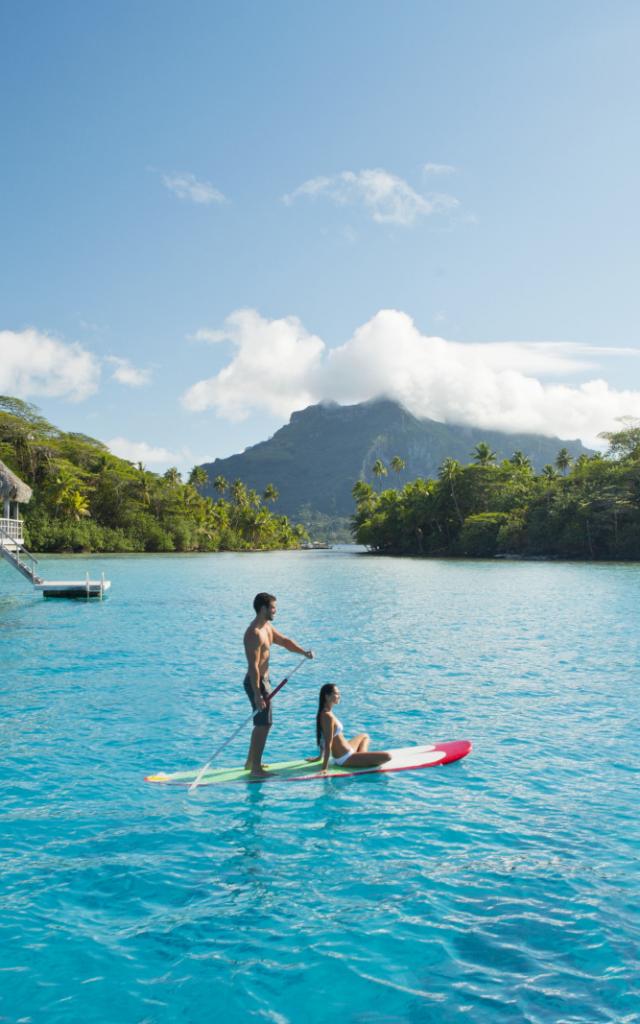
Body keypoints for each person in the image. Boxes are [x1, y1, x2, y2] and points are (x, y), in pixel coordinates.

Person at [243, 592, 313, 778]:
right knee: (264, 724)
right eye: (273, 607)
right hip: (255, 682)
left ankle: (251, 762)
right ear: (263, 608)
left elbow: (284, 641)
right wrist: (258, 694)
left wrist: (303, 652)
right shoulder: (254, 634)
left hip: (263, 682)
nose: (275, 610)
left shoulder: (267, 627)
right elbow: (253, 668)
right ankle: (256, 769)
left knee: (262, 723)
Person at [313, 683, 391, 773]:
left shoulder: (326, 712)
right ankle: (361, 757)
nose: (339, 696)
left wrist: (320, 757)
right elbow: (328, 741)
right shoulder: (327, 716)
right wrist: (324, 768)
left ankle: (361, 756)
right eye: (336, 693)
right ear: (327, 696)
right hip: (345, 758)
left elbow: (322, 735)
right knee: (387, 756)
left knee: (364, 736)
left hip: (347, 751)